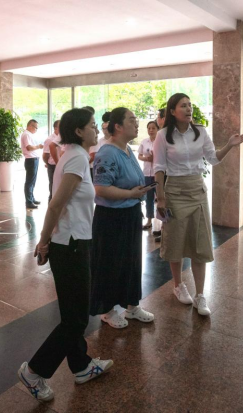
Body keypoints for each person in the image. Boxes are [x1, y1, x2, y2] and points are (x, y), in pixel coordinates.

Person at [19, 108, 111, 401]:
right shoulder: (77, 157)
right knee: (75, 319)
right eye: (92, 125)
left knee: (73, 312)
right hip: (70, 244)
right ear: (79, 131)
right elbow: (56, 204)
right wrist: (43, 241)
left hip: (73, 241)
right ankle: (34, 371)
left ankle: (81, 366)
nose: (97, 129)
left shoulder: (73, 154)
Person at [153, 93, 243, 316]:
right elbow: (159, 168)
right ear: (172, 111)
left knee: (200, 242)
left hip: (197, 190)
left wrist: (230, 145)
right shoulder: (163, 135)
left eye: (190, 105)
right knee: (175, 241)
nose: (188, 109)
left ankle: (200, 295)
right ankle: (178, 285)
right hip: (174, 191)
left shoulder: (200, 132)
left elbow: (213, 158)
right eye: (183, 105)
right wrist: (161, 197)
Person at [90, 108, 154, 329]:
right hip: (112, 217)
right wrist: (130, 194)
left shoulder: (126, 149)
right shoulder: (107, 152)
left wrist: (137, 193)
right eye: (132, 120)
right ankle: (107, 311)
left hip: (130, 213)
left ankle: (132, 306)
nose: (137, 124)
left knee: (131, 261)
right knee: (110, 263)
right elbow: (100, 188)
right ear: (117, 126)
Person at [138, 121, 158, 229]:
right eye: (149, 128)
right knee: (148, 198)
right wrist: (146, 158)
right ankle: (149, 220)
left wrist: (155, 158)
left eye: (153, 128)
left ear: (157, 129)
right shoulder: (144, 141)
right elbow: (139, 156)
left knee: (161, 197)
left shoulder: (160, 141)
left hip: (158, 174)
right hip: (146, 174)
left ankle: (163, 222)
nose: (151, 130)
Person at [20, 120, 44, 209]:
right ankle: (29, 201)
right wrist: (39, 146)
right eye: (36, 128)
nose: (36, 130)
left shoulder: (29, 134)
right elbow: (29, 147)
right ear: (30, 126)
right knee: (29, 182)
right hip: (31, 160)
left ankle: (31, 198)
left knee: (32, 181)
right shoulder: (26, 134)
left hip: (34, 159)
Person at [152, 108, 167, 242]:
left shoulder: (165, 135)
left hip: (168, 176)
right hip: (161, 174)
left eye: (158, 117)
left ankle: (165, 231)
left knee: (167, 206)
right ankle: (163, 231)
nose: (157, 120)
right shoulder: (161, 134)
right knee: (162, 204)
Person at [42, 120, 61, 202]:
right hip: (53, 166)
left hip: (60, 165)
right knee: (53, 188)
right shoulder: (50, 140)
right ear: (56, 128)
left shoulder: (62, 138)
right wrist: (48, 163)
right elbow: (45, 155)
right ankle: (51, 206)